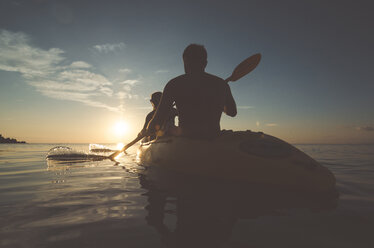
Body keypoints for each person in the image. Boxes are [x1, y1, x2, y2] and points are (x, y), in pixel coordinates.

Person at [146, 44, 237, 139]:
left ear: (185, 61)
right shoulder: (222, 84)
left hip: (186, 138)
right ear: (205, 63)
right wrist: (217, 103)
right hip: (213, 136)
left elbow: (157, 121)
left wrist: (148, 130)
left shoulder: (175, 84)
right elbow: (232, 112)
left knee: (167, 129)